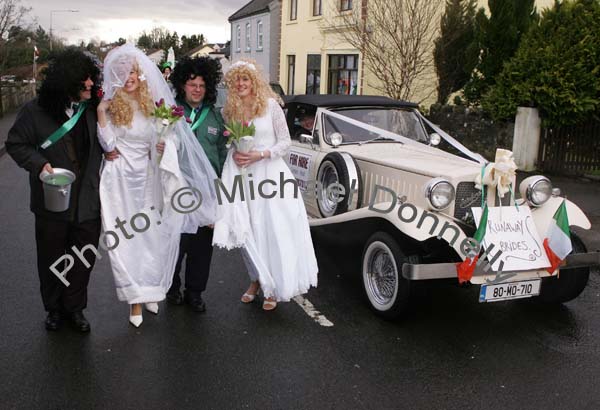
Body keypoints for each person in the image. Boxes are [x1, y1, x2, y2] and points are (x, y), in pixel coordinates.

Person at [97, 44, 219, 327]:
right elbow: (109, 144)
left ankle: (150, 289)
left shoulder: (150, 103)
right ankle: (134, 301)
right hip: (121, 180)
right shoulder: (111, 105)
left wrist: (164, 146)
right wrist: (102, 112)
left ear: (139, 75)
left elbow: (162, 141)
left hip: (150, 176)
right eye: (123, 72)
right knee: (126, 239)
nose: (128, 77)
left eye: (132, 72)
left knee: (153, 237)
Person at [6, 48, 106, 332]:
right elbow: (16, 144)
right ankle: (54, 309)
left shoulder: (95, 108)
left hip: (88, 201)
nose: (90, 84)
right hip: (51, 202)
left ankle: (75, 309)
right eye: (84, 79)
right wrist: (39, 164)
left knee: (83, 258)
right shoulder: (34, 111)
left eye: (92, 78)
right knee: (52, 259)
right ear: (67, 81)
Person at [213, 60, 318, 311]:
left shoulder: (271, 106)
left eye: (245, 79)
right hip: (242, 176)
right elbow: (232, 142)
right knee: (246, 230)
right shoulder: (230, 110)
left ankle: (273, 285)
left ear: (254, 81)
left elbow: (285, 143)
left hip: (270, 176)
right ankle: (256, 280)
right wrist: (236, 153)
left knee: (271, 230)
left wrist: (261, 155)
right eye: (236, 80)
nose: (240, 84)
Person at [165, 56, 227, 311]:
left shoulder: (214, 116)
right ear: (182, 86)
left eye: (202, 85)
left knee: (202, 247)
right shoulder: (169, 113)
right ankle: (172, 287)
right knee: (177, 243)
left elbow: (223, 152)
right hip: (177, 191)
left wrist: (222, 190)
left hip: (207, 191)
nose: (197, 89)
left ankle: (195, 292)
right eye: (192, 84)